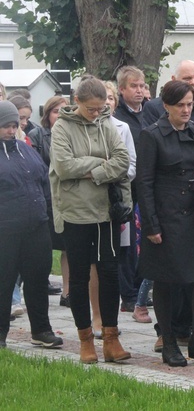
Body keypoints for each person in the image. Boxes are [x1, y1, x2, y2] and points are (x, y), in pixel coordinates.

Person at [136, 80, 194, 367]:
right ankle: (169, 342)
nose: (186, 110)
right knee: (167, 281)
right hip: (167, 217)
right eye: (180, 106)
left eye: (190, 104)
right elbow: (144, 183)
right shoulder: (152, 136)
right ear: (166, 106)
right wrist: (151, 226)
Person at [49, 76, 131, 364]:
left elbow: (122, 160)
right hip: (75, 213)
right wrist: (101, 164)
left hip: (105, 211)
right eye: (91, 109)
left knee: (109, 274)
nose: (97, 114)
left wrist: (93, 172)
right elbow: (64, 166)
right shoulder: (62, 126)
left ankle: (111, 338)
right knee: (80, 277)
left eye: (101, 108)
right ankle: (86, 339)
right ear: (78, 102)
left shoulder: (106, 123)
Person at [0, 100, 63, 349]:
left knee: (37, 280)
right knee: (3, 282)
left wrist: (47, 215)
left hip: (37, 227)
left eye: (14, 125)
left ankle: (41, 330)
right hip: (6, 230)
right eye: (5, 125)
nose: (10, 130)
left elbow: (43, 182)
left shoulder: (26, 149)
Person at [103, 81, 141, 325]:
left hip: (120, 195)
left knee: (124, 248)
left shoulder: (122, 127)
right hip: (93, 199)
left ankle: (128, 295)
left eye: (110, 98)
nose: (106, 102)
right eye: (102, 97)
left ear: (116, 104)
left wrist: (110, 173)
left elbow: (131, 165)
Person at [28, 96, 70, 307]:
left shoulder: (72, 134)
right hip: (44, 197)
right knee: (42, 247)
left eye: (64, 111)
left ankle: (67, 292)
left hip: (66, 198)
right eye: (55, 111)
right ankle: (38, 285)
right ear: (48, 114)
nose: (60, 115)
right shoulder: (37, 135)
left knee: (66, 247)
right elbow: (35, 167)